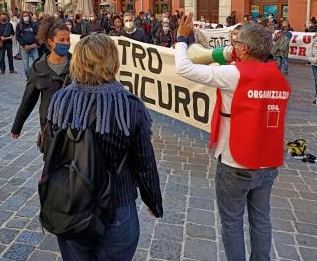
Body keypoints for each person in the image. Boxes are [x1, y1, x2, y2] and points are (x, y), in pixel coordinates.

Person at [175, 14, 291, 261]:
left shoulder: (233, 74)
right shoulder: (278, 76)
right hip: (268, 161)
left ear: (246, 49)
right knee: (261, 219)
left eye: (237, 44)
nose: (233, 48)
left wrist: (181, 40)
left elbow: (184, 67)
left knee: (232, 223)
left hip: (236, 161)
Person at [45, 33, 163, 259]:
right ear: (113, 61)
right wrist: (153, 200)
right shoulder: (128, 105)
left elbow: (50, 150)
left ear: (77, 60)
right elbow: (144, 163)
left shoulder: (60, 99)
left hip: (72, 203)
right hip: (117, 204)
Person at [11, 18, 70, 139]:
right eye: (61, 40)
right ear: (50, 41)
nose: (66, 43)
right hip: (49, 126)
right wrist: (17, 126)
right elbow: (28, 99)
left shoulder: (78, 64)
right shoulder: (39, 67)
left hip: (73, 126)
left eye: (68, 39)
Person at [16, 11, 38, 80]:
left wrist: (36, 43)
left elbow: (37, 35)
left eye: (27, 16)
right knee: (26, 65)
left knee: (37, 62)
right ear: (22, 17)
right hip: (24, 48)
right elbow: (18, 36)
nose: (26, 17)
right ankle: (29, 77)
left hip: (33, 47)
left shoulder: (33, 25)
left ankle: (36, 76)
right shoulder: (19, 25)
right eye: (24, 16)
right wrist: (23, 45)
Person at [307, 36, 317, 104]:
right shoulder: (314, 41)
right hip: (315, 65)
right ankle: (316, 97)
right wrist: (315, 60)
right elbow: (309, 54)